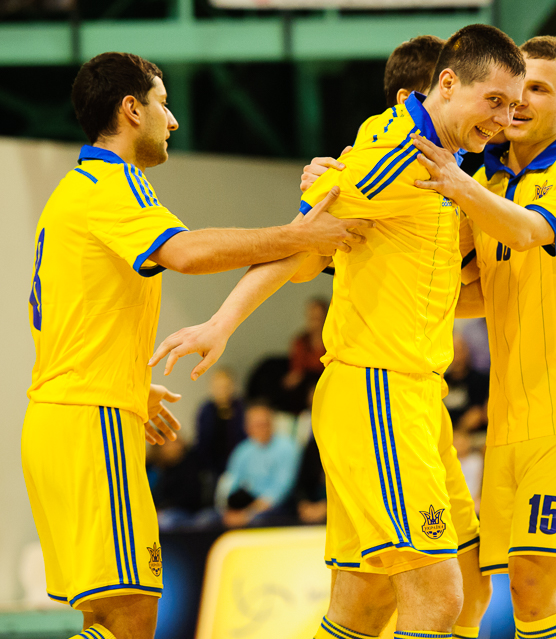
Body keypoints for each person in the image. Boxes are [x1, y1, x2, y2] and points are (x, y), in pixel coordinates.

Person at [152, 25, 528, 639]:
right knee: (439, 596)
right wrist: (222, 322)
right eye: (495, 101)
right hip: (376, 397)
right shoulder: (391, 156)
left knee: (383, 602)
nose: (505, 119)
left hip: (417, 399)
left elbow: (430, 285)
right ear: (446, 83)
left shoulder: (451, 168)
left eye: (512, 106)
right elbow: (301, 243)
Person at [21, 52, 365, 639]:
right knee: (132, 615)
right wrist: (296, 234)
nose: (174, 119)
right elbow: (185, 252)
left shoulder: (74, 192)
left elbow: (68, 315)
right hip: (89, 421)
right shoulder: (111, 184)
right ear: (131, 110)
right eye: (162, 102)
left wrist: (130, 384)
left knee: (107, 615)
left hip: (66, 415)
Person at [413, 35, 556, 639]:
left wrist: (459, 185)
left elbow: (529, 232)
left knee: (533, 588)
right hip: (510, 417)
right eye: (514, 90)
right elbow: (468, 287)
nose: (520, 102)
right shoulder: (484, 178)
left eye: (538, 89)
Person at [221, 402, 298, 528]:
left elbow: (280, 490)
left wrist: (248, 513)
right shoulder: (242, 451)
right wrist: (229, 509)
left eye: (265, 424)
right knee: (207, 520)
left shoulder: (287, 447)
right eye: (257, 425)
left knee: (257, 521)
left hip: (274, 508)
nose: (262, 429)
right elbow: (230, 482)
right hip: (243, 504)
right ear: (247, 427)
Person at [193, 368, 246, 479]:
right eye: (218, 387)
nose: (222, 391)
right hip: (212, 467)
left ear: (232, 387)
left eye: (225, 387)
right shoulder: (206, 411)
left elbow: (245, 439)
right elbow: (202, 441)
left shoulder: (242, 408)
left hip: (240, 462)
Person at [283, 297, 328, 412]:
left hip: (325, 382)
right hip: (305, 385)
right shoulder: (301, 341)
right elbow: (296, 371)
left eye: (317, 318)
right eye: (311, 318)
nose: (314, 323)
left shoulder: (333, 342)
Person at [443, 333, 488, 431]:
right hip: (446, 433)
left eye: (459, 351)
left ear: (466, 352)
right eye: (452, 353)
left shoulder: (480, 380)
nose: (456, 358)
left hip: (473, 435)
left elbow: (477, 415)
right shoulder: (441, 382)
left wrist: (459, 431)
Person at [294, 438, 327, 525]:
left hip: (338, 511)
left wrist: (326, 507)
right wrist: (303, 504)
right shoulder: (313, 446)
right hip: (310, 508)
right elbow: (301, 484)